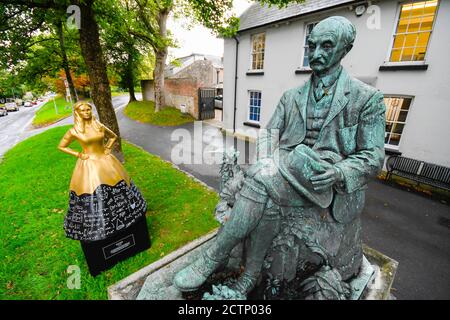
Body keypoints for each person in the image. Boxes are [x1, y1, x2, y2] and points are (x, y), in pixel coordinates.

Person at [173, 16, 386, 297]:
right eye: (312, 46)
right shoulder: (292, 96)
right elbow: (268, 133)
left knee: (261, 183)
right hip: (289, 172)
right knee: (265, 186)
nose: (317, 53)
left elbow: (373, 156)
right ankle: (248, 277)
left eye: (326, 46)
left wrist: (340, 172)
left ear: (345, 49)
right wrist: (264, 160)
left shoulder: (367, 98)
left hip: (330, 185)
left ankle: (214, 256)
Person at [58, 101, 147, 242]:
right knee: (94, 190)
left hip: (107, 161)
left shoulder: (98, 125)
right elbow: (62, 146)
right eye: (83, 110)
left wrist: (108, 147)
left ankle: (126, 215)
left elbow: (113, 136)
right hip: (89, 165)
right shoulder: (74, 131)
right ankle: (100, 224)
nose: (86, 112)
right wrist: (79, 154)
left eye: (88, 109)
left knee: (118, 186)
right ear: (77, 113)